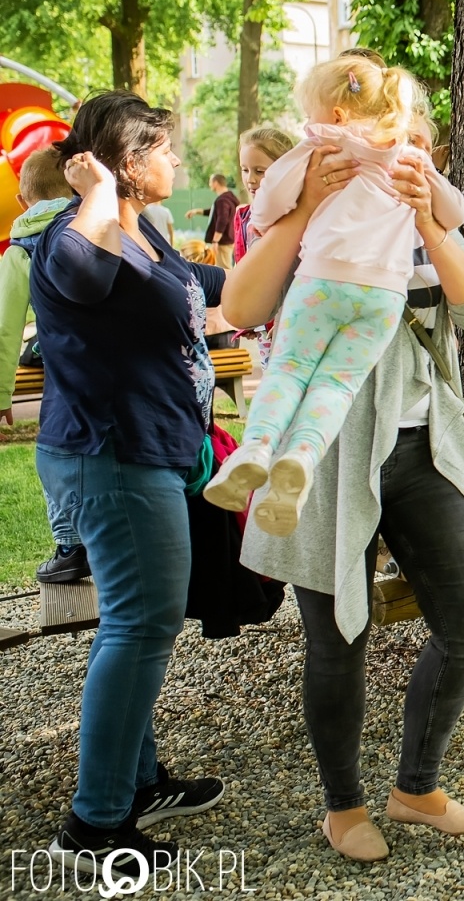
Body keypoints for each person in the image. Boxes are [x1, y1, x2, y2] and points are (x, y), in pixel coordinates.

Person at [226, 106, 464, 865]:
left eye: (415, 140)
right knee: (339, 642)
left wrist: (429, 221)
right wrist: (304, 213)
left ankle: (416, 789)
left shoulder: (424, 217)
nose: (400, 153)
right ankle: (343, 806)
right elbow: (240, 308)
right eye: (385, 138)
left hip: (426, 451)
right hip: (319, 463)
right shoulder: (309, 211)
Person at [29, 92, 229, 875]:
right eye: (166, 150)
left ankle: (136, 781)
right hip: (114, 454)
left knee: (136, 621)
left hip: (151, 447)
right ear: (128, 160)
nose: (177, 162)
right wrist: (95, 190)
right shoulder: (70, 234)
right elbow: (80, 273)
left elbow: (196, 295)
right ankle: (94, 826)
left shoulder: (141, 229)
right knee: (140, 628)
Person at [204, 58, 464, 537]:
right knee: (336, 387)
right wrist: (427, 201)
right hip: (382, 297)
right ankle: (302, 458)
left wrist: (297, 202)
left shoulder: (320, 147)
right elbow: (456, 211)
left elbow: (264, 208)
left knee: (290, 369)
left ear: (338, 115)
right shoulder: (410, 157)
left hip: (323, 282)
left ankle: (257, 448)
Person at [0, 150, 89, 582]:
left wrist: (1, 396)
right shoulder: (91, 222)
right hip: (108, 354)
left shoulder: (22, 248)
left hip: (57, 356)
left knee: (54, 452)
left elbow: (5, 329)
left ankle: (70, 545)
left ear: (22, 201)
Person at [231, 127, 298, 361]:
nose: (251, 179)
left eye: (260, 171)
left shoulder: (296, 216)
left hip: (293, 324)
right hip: (264, 326)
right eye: (245, 170)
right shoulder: (245, 216)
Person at [185, 173, 239, 267]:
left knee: (224, 269)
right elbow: (215, 212)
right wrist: (196, 211)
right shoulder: (229, 198)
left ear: (215, 183)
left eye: (210, 182)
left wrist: (215, 241)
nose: (209, 185)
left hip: (222, 242)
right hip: (230, 239)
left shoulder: (222, 200)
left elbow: (222, 219)